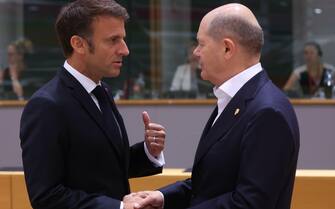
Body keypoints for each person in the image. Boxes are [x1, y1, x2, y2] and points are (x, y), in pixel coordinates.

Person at [126, 3, 300, 209]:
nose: (196, 53)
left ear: (227, 48)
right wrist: (162, 197)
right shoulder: (238, 99)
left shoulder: (267, 112)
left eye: (201, 44)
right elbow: (210, 185)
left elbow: (250, 203)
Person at [20, 1, 166, 209]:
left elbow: (103, 167)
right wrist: (119, 207)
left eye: (123, 39)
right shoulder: (46, 106)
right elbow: (46, 196)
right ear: (78, 44)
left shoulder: (102, 91)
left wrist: (148, 152)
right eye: (113, 40)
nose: (124, 50)